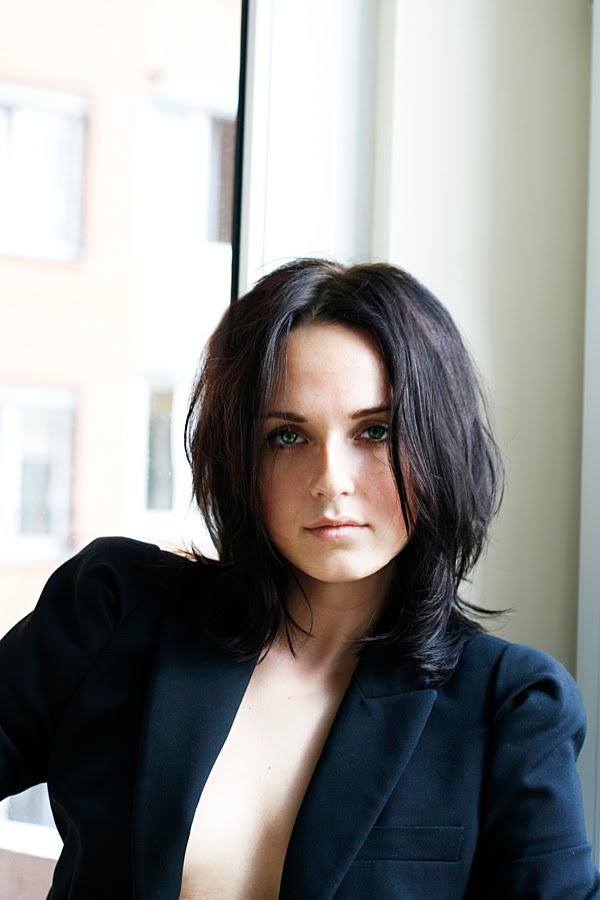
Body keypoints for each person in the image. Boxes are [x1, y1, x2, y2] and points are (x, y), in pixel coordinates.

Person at [0, 258, 598, 900]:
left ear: (438, 444)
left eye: (376, 431)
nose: (330, 481)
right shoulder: (115, 611)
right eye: (287, 437)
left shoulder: (512, 706)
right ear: (240, 457)